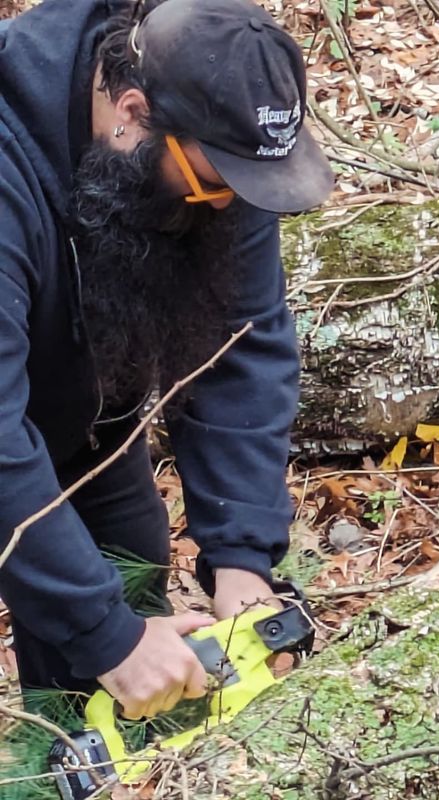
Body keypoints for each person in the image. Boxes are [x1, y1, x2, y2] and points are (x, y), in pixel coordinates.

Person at [0, 0, 333, 720]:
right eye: (214, 184)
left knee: (129, 573)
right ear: (131, 114)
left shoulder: (217, 143)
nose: (227, 205)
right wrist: (105, 635)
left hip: (86, 418)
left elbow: (240, 338)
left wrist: (241, 553)